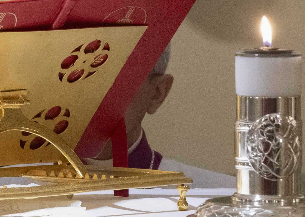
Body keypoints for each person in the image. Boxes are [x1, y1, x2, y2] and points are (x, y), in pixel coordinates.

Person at [82, 47, 233, 188]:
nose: (95, 91)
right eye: (78, 72)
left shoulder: (215, 194)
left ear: (157, 93)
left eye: (118, 75)